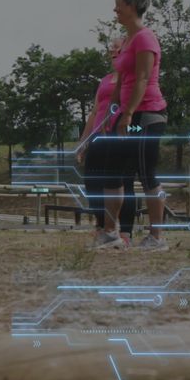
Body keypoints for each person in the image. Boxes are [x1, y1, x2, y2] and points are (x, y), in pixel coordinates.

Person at [100, 0, 169, 251]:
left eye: (118, 3)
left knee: (146, 171)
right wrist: (111, 111)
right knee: (112, 172)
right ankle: (110, 232)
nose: (114, 9)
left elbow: (142, 78)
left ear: (131, 6)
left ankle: (157, 236)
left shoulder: (145, 38)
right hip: (127, 114)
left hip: (147, 115)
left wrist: (128, 113)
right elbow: (123, 81)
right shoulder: (128, 40)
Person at [77, 37, 136, 249]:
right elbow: (94, 112)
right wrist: (83, 142)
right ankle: (102, 228)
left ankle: (126, 231)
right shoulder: (104, 81)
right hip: (98, 138)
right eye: (111, 49)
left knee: (123, 184)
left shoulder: (133, 79)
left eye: (118, 48)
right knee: (93, 183)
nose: (113, 51)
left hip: (121, 135)